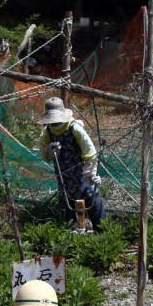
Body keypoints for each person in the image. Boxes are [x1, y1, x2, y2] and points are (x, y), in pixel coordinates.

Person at [39, 96, 105, 231]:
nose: (55, 123)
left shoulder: (75, 128)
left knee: (91, 196)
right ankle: (70, 230)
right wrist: (50, 151)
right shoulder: (47, 132)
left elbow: (90, 152)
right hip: (63, 173)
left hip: (82, 172)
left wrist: (92, 174)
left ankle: (102, 230)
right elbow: (44, 154)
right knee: (66, 200)